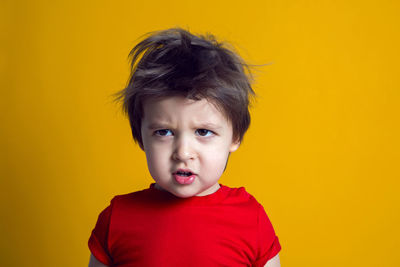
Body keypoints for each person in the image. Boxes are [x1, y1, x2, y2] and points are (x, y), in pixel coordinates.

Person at [88, 28, 282, 267]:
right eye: (164, 132)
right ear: (140, 136)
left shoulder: (251, 220)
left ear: (235, 137)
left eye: (203, 132)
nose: (183, 152)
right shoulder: (117, 219)